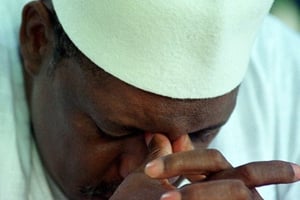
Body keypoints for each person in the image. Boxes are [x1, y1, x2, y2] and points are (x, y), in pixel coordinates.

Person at [1, 0, 300, 199]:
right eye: (115, 130)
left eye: (201, 133)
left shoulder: (284, 78)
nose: (155, 172)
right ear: (38, 40)